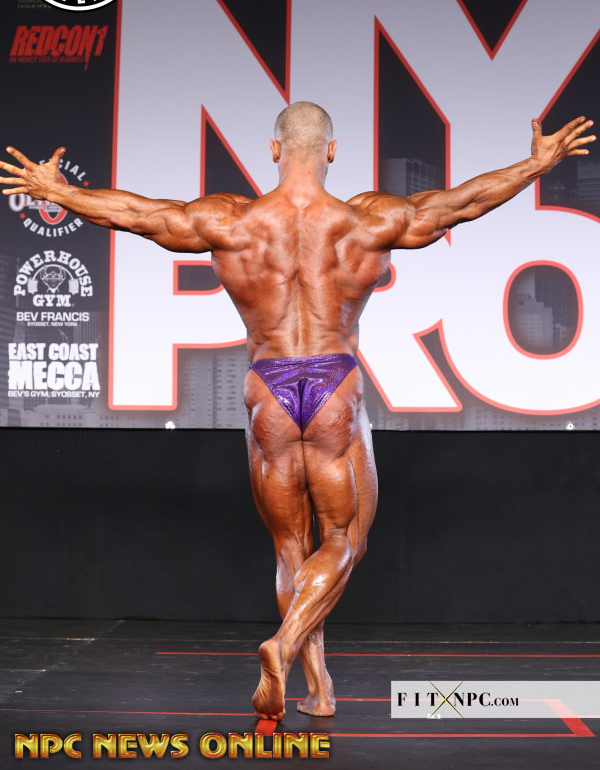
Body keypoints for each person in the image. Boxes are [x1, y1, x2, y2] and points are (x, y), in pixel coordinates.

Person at [0, 103, 594, 721]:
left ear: (274, 149)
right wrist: (534, 165)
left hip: (270, 386)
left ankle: (319, 688)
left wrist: (60, 193)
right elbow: (459, 205)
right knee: (343, 541)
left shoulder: (232, 220)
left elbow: (143, 216)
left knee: (290, 547)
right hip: (333, 383)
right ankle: (284, 647)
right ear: (331, 151)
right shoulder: (367, 220)